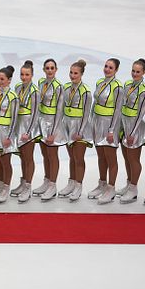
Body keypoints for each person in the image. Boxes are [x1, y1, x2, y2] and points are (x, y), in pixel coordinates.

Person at [89, 58, 124, 205]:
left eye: (110, 67)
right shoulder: (99, 82)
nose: (107, 69)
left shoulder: (118, 87)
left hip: (110, 124)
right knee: (101, 156)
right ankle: (102, 183)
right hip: (98, 122)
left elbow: (117, 110)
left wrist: (111, 130)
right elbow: (94, 103)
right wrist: (91, 121)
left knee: (110, 157)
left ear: (116, 70)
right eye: (106, 66)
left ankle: (111, 188)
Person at [57, 59, 92, 202]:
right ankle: (71, 182)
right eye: (71, 72)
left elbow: (86, 113)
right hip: (67, 125)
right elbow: (61, 109)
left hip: (80, 127)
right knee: (71, 157)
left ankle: (79, 185)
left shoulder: (86, 92)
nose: (72, 75)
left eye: (75, 73)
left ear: (81, 74)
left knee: (78, 158)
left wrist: (81, 131)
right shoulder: (66, 88)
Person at [118, 58, 145, 203]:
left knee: (133, 158)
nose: (135, 74)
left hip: (134, 126)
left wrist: (132, 132)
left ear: (143, 72)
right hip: (124, 124)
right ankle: (128, 183)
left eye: (138, 71)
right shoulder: (127, 84)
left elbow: (141, 113)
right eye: (133, 71)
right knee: (126, 157)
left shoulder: (144, 90)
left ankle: (134, 189)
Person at [33, 58, 65, 201]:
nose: (50, 70)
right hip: (42, 121)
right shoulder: (41, 83)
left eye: (52, 68)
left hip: (53, 122)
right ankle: (47, 181)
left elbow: (60, 111)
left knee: (52, 155)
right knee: (45, 154)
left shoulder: (59, 86)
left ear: (56, 70)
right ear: (44, 70)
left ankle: (53, 185)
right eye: (47, 68)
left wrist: (53, 132)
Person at [0, 65, 19, 203]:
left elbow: (15, 119)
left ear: (9, 80)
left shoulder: (13, 97)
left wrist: (9, 137)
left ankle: (6, 188)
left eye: (2, 79)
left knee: (6, 162)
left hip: (5, 132)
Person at [11, 60, 40, 203]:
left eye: (27, 75)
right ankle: (23, 182)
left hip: (29, 127)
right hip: (19, 126)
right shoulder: (17, 88)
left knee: (28, 158)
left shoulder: (35, 91)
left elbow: (35, 113)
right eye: (22, 74)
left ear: (32, 75)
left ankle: (28, 186)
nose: (24, 77)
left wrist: (28, 132)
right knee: (22, 157)